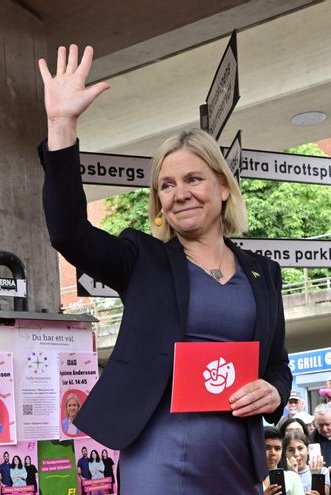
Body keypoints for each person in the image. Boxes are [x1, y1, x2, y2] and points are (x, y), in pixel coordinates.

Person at [38, 45, 291, 492]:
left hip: (236, 457)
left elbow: (276, 364)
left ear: (224, 188)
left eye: (193, 179)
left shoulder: (263, 273)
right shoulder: (143, 260)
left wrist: (273, 391)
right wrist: (62, 126)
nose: (180, 194)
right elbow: (69, 234)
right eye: (167, 186)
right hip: (159, 453)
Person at [283, 430, 329, 495]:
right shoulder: (282, 476)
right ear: (285, 454)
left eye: (300, 448)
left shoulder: (322, 471)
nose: (296, 454)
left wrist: (316, 474)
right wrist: (293, 475)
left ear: (307, 450)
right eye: (290, 450)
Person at [263, 427, 305, 495]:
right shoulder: (247, 480)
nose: (272, 453)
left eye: (277, 449)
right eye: (267, 448)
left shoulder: (292, 478)